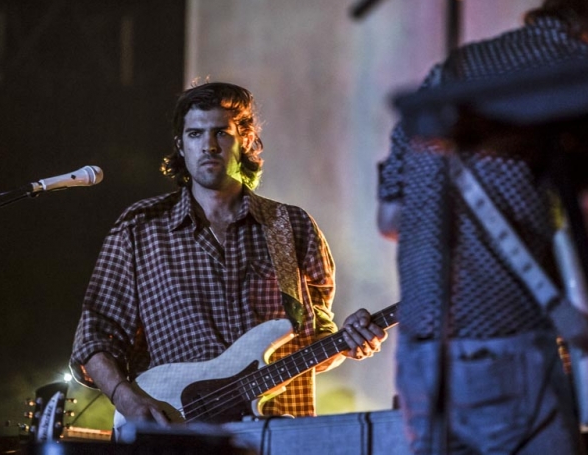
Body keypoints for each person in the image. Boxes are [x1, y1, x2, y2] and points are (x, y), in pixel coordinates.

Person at [377, 0, 588, 455]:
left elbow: (391, 218)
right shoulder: (585, 79)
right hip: (507, 346)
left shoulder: (453, 71)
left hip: (422, 357)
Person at [71, 82, 387, 427]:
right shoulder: (141, 227)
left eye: (221, 133)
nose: (208, 146)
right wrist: (125, 398)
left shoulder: (289, 225)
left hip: (278, 430)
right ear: (181, 145)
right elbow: (94, 337)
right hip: (177, 433)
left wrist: (348, 340)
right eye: (195, 134)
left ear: (247, 139)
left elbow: (315, 339)